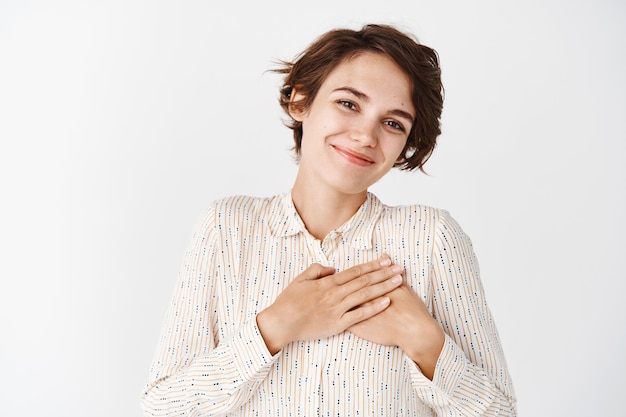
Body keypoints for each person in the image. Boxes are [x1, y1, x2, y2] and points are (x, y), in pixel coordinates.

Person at [140, 23, 517, 416]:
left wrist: (424, 340)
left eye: (393, 123)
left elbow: (501, 412)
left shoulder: (432, 238)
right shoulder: (226, 227)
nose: (366, 136)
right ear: (300, 100)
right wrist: (274, 328)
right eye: (349, 104)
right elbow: (162, 407)